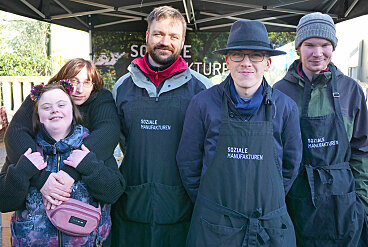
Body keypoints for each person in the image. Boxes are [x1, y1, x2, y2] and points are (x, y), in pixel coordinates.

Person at [176, 20, 302, 246]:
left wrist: (268, 200)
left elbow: (291, 166)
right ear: (227, 61)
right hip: (213, 229)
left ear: (268, 63)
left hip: (268, 228)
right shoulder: (203, 104)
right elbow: (188, 163)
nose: (246, 63)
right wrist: (212, 207)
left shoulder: (286, 107)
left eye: (256, 55)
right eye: (237, 55)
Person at [111, 5, 211, 247]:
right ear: (147, 36)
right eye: (158, 34)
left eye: (173, 36)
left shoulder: (202, 89)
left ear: (182, 41)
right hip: (131, 202)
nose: (165, 41)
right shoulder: (122, 86)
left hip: (182, 208)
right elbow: (118, 142)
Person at [2, 58, 125, 246]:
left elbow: (113, 191)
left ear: (73, 111)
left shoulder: (94, 145)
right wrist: (34, 175)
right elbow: (4, 200)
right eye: (73, 81)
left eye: (86, 82)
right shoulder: (27, 150)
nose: (79, 89)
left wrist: (79, 168)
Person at [274, 12, 368, 246]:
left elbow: (362, 149)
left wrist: (362, 201)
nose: (318, 53)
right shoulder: (279, 92)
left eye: (325, 45)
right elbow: (274, 154)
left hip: (343, 202)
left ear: (333, 47)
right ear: (298, 48)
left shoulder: (350, 90)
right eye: (309, 45)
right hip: (296, 200)